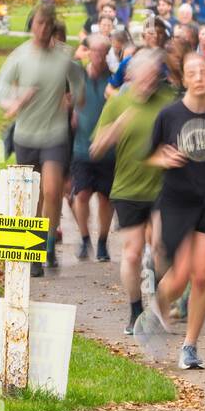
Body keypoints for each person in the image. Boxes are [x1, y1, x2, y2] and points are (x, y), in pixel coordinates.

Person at [133, 51, 205, 369]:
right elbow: (149, 156)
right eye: (192, 73)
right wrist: (164, 159)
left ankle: (190, 346)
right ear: (184, 79)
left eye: (203, 71)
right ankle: (154, 311)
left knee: (201, 276)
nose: (198, 77)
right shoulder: (169, 115)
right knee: (180, 275)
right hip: (177, 201)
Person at [0, 2, 86, 276]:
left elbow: (79, 80)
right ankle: (31, 253)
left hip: (54, 135)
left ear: (52, 26)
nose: (43, 29)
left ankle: (47, 244)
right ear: (31, 24)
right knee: (31, 197)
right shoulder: (19, 56)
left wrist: (74, 100)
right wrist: (15, 102)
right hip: (25, 136)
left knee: (52, 190)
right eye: (38, 24)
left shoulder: (62, 56)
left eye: (48, 24)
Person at [92, 50, 174, 334]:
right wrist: (115, 129)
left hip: (164, 187)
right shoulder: (117, 104)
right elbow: (96, 148)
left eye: (155, 77)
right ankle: (136, 310)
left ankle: (158, 304)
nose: (150, 83)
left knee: (163, 247)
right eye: (145, 77)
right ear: (131, 76)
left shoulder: (168, 99)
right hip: (128, 188)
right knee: (131, 254)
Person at [70, 34, 115, 262]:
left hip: (108, 151)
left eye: (102, 52)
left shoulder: (114, 80)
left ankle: (103, 242)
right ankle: (85, 238)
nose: (97, 56)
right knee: (82, 194)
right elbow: (67, 100)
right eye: (94, 51)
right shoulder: (78, 78)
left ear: (107, 54)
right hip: (81, 148)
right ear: (87, 52)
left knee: (106, 198)